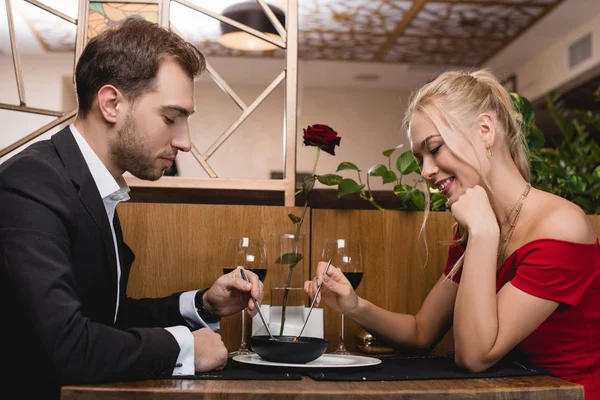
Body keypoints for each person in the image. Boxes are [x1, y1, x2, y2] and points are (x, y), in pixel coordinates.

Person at [0, 18, 263, 398]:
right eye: (171, 118)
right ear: (111, 104)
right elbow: (66, 344)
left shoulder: (90, 183)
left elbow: (107, 319)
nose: (185, 141)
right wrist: (184, 347)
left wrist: (204, 304)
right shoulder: (31, 184)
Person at [305, 69, 600, 398]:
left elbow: (475, 356)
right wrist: (354, 305)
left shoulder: (561, 226)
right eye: (419, 158)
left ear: (485, 130)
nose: (426, 171)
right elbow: (421, 331)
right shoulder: (475, 224)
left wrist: (484, 235)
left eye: (434, 149)